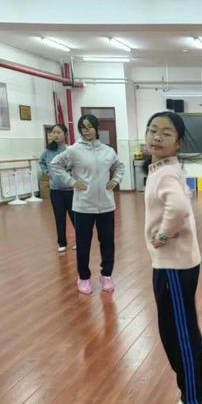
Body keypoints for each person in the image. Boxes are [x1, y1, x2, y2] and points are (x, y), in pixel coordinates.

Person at [144, 111, 202, 404]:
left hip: (174, 266)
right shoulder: (163, 169)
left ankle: (190, 394)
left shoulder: (165, 173)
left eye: (166, 133)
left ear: (177, 143)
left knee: (177, 332)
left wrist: (163, 235)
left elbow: (178, 207)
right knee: (182, 327)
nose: (156, 137)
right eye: (152, 130)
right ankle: (201, 383)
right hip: (175, 263)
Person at [50, 114, 124, 294]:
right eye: (83, 128)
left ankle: (106, 275)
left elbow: (120, 166)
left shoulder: (108, 151)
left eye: (90, 127)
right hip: (83, 205)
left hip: (106, 205)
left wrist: (115, 180)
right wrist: (72, 182)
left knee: (107, 242)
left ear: (97, 128)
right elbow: (55, 165)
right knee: (83, 244)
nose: (86, 131)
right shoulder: (74, 150)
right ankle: (83, 277)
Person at [39, 123, 75, 252]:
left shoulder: (70, 150)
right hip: (56, 191)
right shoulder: (47, 151)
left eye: (58, 132)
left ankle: (79, 240)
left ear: (65, 134)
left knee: (75, 217)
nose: (56, 135)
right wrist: (48, 172)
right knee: (59, 218)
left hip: (71, 190)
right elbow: (41, 162)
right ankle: (62, 243)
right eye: (53, 132)